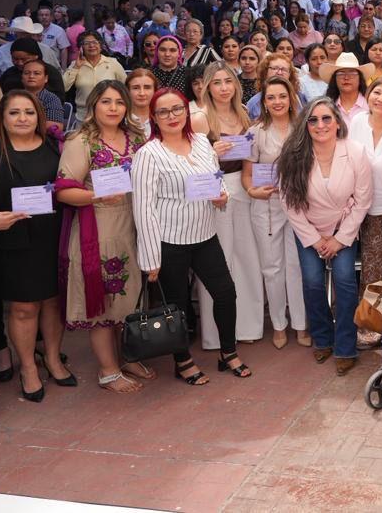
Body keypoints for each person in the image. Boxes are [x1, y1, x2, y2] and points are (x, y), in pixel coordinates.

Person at [133, 87, 247, 385]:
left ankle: (228, 352)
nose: (171, 116)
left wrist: (221, 196)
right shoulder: (148, 155)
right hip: (170, 242)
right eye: (163, 111)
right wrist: (151, 257)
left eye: (177, 109)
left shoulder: (201, 143)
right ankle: (182, 361)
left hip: (205, 235)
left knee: (225, 293)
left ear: (186, 111)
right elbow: (143, 208)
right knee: (178, 306)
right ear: (153, 117)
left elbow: (215, 181)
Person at [0, 90, 71, 401]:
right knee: (23, 308)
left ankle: (52, 358)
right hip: (13, 243)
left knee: (53, 302)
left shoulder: (55, 147)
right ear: (2, 117)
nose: (22, 118)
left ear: (39, 116)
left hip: (54, 237)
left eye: (29, 112)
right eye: (14, 112)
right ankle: (27, 367)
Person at [53, 81, 153, 393]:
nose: (113, 108)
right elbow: (63, 190)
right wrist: (96, 195)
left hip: (134, 225)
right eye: (106, 101)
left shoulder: (137, 137)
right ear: (93, 104)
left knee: (130, 299)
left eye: (119, 102)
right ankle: (108, 371)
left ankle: (128, 357)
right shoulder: (81, 141)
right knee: (103, 305)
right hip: (100, 229)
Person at [275, 98, 371, 375]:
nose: (320, 125)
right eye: (313, 120)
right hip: (309, 230)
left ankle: (346, 346)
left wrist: (340, 239)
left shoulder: (355, 151)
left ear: (337, 122)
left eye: (326, 118)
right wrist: (316, 240)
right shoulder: (293, 154)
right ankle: (323, 338)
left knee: (345, 281)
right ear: (305, 125)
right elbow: (289, 204)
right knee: (313, 282)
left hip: (343, 229)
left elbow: (363, 200)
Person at [194, 62, 265, 351]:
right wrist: (211, 153)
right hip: (215, 190)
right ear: (207, 87)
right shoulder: (200, 118)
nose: (224, 88)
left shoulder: (244, 113)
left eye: (228, 82)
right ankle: (217, 334)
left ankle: (248, 325)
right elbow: (188, 162)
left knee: (247, 257)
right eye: (217, 82)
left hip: (244, 189)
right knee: (218, 261)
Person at [243, 77, 308, 351]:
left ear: (291, 98)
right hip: (267, 206)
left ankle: (301, 324)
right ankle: (279, 325)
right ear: (264, 102)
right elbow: (247, 175)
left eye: (282, 96)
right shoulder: (255, 132)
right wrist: (252, 191)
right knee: (272, 268)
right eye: (271, 97)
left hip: (299, 206)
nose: (277, 102)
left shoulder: (303, 127)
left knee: (296, 267)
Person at [347, 76, 382, 349]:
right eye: (377, 92)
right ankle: (372, 324)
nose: (381, 99)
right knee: (372, 272)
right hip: (364, 209)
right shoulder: (357, 122)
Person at [63, 31, 126, 119]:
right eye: (87, 43)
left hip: (109, 115)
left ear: (101, 46)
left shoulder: (112, 63)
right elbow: (64, 87)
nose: (91, 45)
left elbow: (126, 86)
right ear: (81, 48)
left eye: (95, 42)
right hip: (84, 116)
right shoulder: (75, 65)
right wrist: (76, 68)